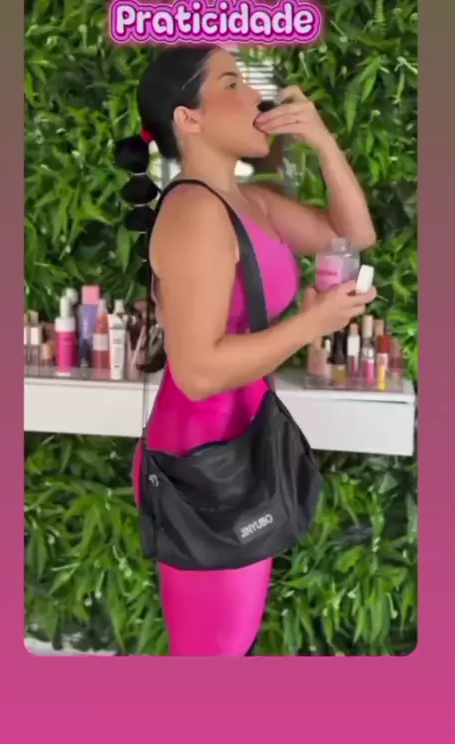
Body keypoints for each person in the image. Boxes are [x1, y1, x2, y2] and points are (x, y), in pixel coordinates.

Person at [125, 45, 376, 656]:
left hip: (241, 445)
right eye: (233, 83)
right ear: (189, 118)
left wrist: (322, 142)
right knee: (213, 652)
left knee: (226, 645)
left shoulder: (251, 201)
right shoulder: (194, 213)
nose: (257, 98)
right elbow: (198, 371)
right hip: (204, 463)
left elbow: (352, 236)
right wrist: (312, 323)